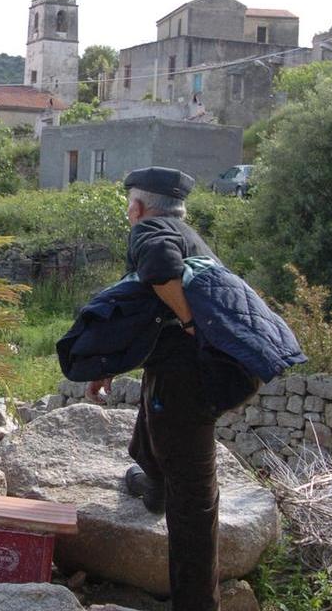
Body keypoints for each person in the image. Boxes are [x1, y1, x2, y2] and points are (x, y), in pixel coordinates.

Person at [87, 166, 220, 611]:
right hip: (178, 373)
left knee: (196, 499)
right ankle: (153, 483)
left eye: (129, 209)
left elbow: (162, 271)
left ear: (138, 207)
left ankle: (197, 604)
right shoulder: (186, 234)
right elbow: (143, 312)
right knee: (154, 410)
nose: (129, 216)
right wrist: (108, 364)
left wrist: (188, 321)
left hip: (192, 379)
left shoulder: (151, 233)